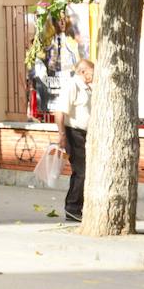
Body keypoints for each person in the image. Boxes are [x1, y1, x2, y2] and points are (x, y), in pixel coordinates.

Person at [56, 57, 94, 223]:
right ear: (83, 71)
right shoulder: (73, 85)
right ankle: (72, 207)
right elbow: (59, 112)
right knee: (81, 172)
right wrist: (62, 135)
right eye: (92, 72)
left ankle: (81, 206)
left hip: (85, 134)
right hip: (74, 133)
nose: (94, 76)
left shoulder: (87, 88)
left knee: (86, 172)